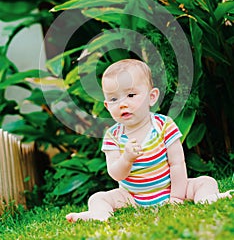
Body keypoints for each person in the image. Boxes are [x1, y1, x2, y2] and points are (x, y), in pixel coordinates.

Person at [66, 59, 233, 222]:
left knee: (206, 182)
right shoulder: (113, 136)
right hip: (132, 198)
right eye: (114, 99)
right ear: (107, 106)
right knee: (97, 198)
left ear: (152, 97)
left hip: (169, 189)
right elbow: (116, 174)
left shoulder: (164, 125)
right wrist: (126, 158)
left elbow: (177, 163)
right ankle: (100, 216)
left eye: (131, 95)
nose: (122, 104)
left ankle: (209, 199)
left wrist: (176, 196)